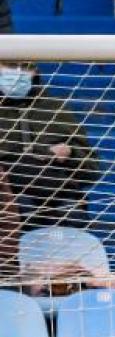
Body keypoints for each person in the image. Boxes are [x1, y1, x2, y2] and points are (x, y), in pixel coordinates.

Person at [0, 62, 98, 230]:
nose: (17, 73)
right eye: (10, 65)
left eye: (24, 67)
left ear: (35, 71)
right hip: (9, 200)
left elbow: (92, 171)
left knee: (73, 215)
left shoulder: (55, 107)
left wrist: (70, 153)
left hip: (59, 197)